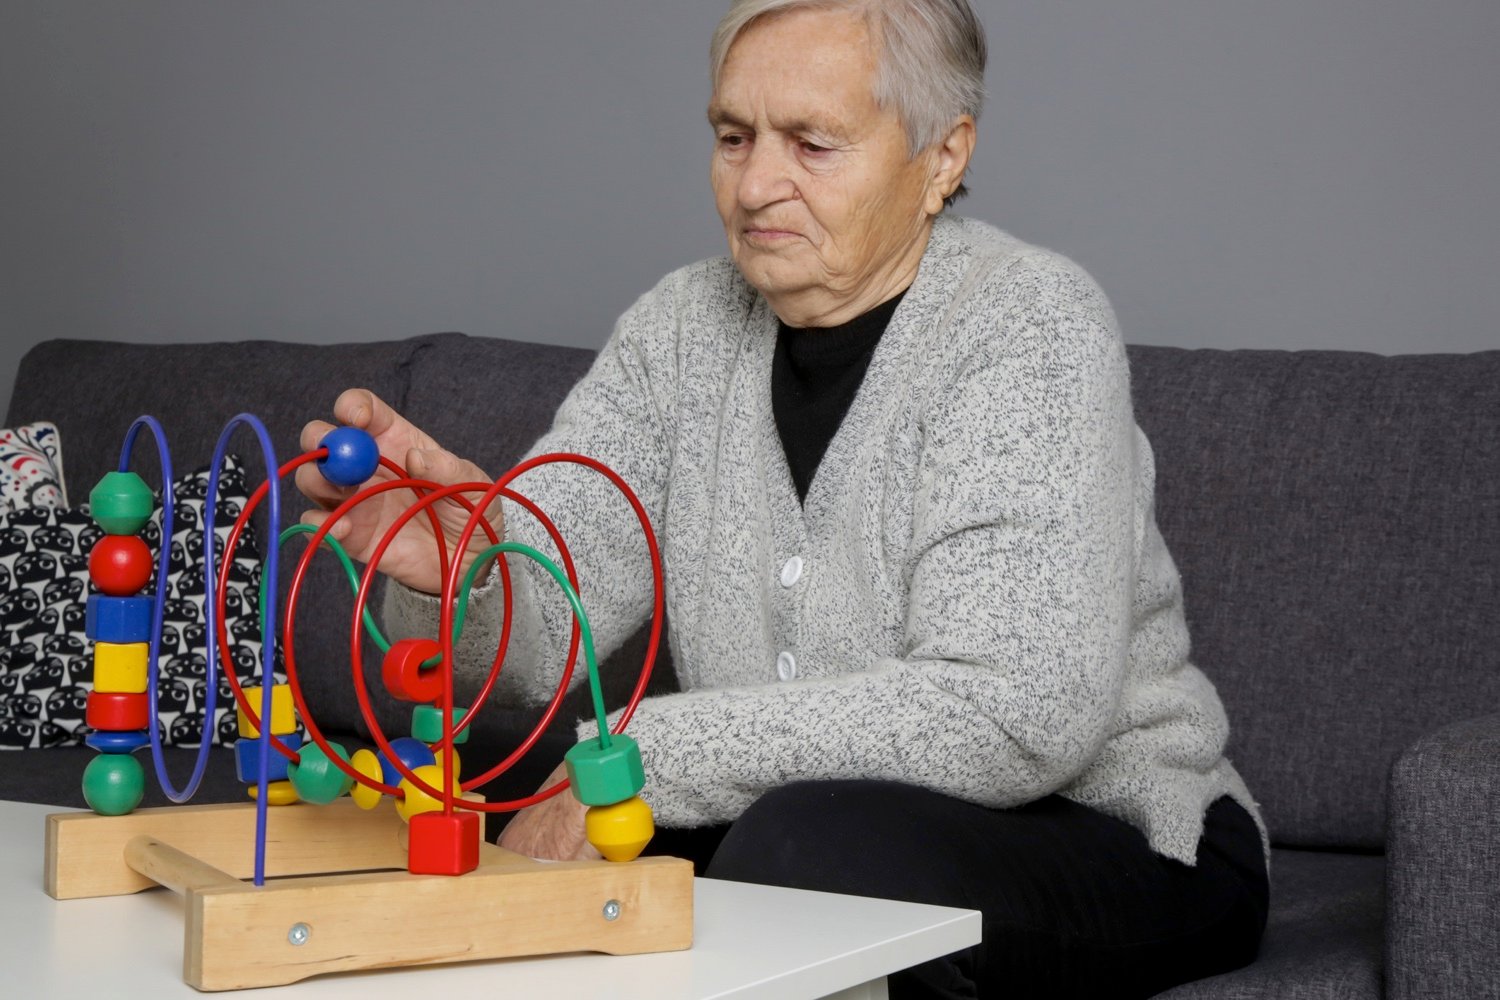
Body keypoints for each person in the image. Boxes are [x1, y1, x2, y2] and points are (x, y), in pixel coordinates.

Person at [297, 1, 1269, 996]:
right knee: (583, 861)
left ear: (941, 157)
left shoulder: (1029, 323)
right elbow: (534, 646)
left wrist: (646, 749)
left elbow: (1017, 712)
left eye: (812, 143)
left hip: (1116, 831)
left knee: (806, 853)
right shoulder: (678, 328)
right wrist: (460, 567)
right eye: (733, 137)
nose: (757, 185)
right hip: (801, 813)